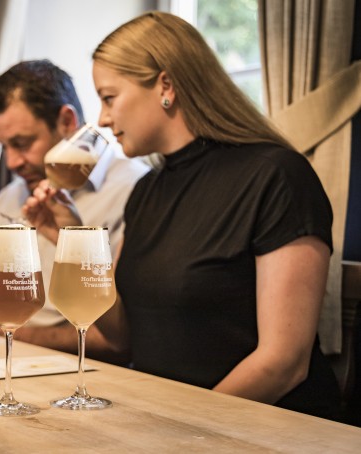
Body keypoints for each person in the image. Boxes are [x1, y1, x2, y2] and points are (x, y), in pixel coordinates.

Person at [23, 12, 341, 419]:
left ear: (166, 85)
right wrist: (69, 232)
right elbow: (123, 338)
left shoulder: (276, 175)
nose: (101, 119)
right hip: (162, 416)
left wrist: (183, 427)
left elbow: (283, 364)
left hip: (266, 428)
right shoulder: (148, 190)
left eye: (109, 97)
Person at [0, 60, 150, 363]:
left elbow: (122, 335)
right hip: (2, 352)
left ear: (66, 121)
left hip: (83, 366)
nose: (12, 163)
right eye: (4, 146)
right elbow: (8, 287)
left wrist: (23, 335)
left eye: (21, 143)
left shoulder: (135, 191)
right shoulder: (10, 197)